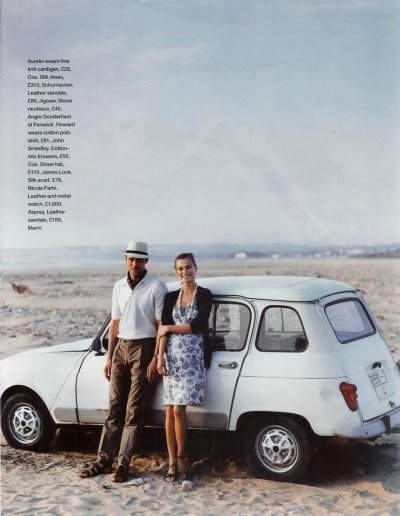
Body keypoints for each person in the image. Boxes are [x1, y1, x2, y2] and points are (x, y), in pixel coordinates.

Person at [80, 241, 167, 483]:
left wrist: (156, 358)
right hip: (121, 349)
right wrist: (109, 356)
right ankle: (104, 458)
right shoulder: (118, 286)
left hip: (144, 347)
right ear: (125, 260)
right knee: (114, 406)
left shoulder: (156, 286)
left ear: (146, 261)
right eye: (130, 258)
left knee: (134, 409)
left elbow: (160, 326)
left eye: (139, 259)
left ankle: (124, 463)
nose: (134, 263)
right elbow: (115, 324)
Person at [156, 253, 212, 482]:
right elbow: (161, 331)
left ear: (195, 268)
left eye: (188, 267)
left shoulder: (205, 295)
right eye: (180, 269)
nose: (184, 272)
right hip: (171, 357)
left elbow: (198, 326)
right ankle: (171, 461)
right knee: (168, 411)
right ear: (176, 271)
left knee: (179, 410)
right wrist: (159, 356)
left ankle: (181, 458)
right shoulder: (170, 297)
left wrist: (169, 328)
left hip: (192, 358)